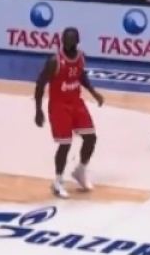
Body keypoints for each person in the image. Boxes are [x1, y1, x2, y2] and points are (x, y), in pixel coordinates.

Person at [33, 27, 105, 198]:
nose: (67, 41)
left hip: (76, 102)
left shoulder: (81, 57)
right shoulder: (54, 61)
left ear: (77, 41)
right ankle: (58, 182)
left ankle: (80, 170)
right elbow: (40, 84)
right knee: (65, 144)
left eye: (71, 39)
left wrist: (93, 92)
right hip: (59, 106)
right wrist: (38, 110)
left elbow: (81, 76)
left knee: (91, 137)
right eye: (65, 38)